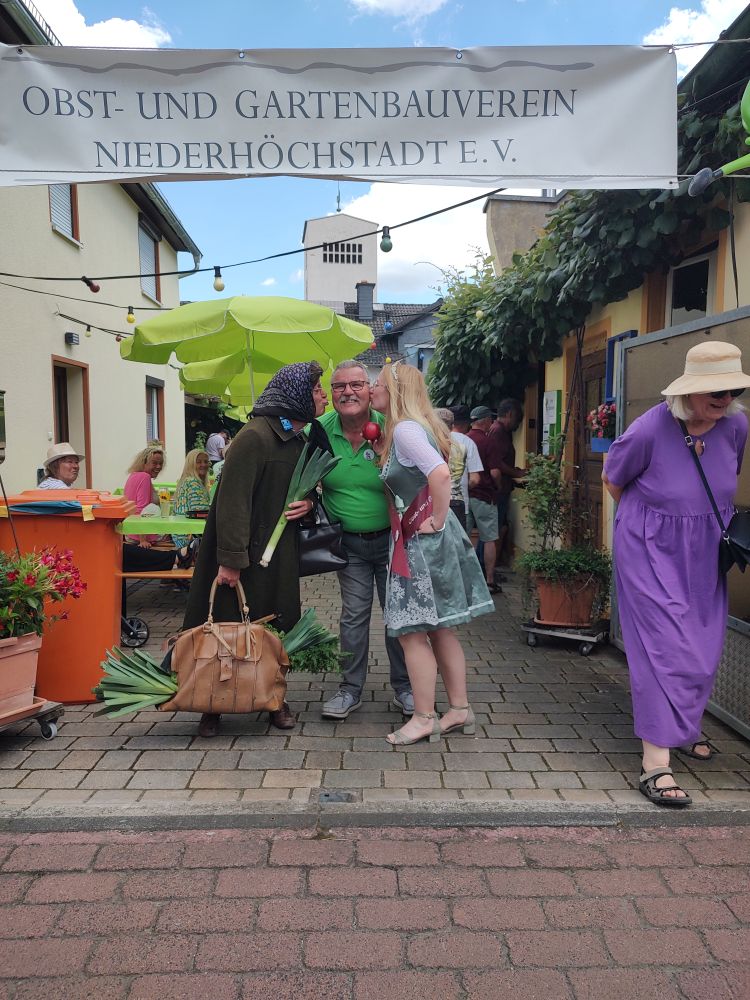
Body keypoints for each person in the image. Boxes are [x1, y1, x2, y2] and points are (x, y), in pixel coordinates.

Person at [602, 340, 748, 808]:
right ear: (690, 389)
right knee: (661, 646)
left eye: (733, 390)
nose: (725, 399)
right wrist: (653, 524)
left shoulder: (737, 426)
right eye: (716, 390)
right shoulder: (649, 428)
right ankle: (656, 763)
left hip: (704, 551)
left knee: (701, 646)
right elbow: (613, 479)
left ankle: (684, 727)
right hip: (649, 549)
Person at [182, 361, 329, 739]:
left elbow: (306, 489)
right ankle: (211, 703)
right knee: (224, 627)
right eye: (317, 390)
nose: (324, 396)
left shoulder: (296, 439)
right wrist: (231, 561)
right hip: (242, 557)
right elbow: (232, 503)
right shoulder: (254, 437)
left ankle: (273, 699)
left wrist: (309, 503)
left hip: (277, 557)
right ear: (297, 394)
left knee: (272, 628)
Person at [370, 363, 495, 745]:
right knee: (440, 628)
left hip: (421, 543)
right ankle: (459, 709)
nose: (372, 389)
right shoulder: (413, 428)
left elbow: (439, 474)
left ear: (395, 391)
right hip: (427, 539)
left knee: (411, 633)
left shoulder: (405, 430)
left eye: (378, 384)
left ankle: (424, 717)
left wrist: (438, 520)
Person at [318, 360, 413, 720]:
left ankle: (405, 688)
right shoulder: (319, 431)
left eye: (356, 385)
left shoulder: (392, 427)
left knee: (397, 615)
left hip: (393, 541)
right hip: (349, 544)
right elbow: (298, 471)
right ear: (332, 393)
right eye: (339, 386)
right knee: (354, 616)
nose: (348, 392)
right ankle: (350, 689)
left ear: (370, 390)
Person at [122, 444, 185, 573]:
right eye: (154, 463)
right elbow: (142, 509)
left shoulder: (134, 476)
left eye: (160, 463)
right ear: (144, 462)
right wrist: (143, 540)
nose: (158, 467)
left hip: (130, 532)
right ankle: (186, 565)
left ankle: (179, 568)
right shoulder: (144, 477)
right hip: (140, 535)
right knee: (182, 535)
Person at [466, 406, 503, 594]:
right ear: (486, 421)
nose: (492, 423)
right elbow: (495, 472)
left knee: (464, 538)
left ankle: (465, 580)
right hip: (484, 496)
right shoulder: (489, 442)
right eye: (491, 419)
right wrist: (498, 486)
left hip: (465, 495)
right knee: (489, 539)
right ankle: (489, 581)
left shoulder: (464, 440)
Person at [488, 398, 526, 563]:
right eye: (517, 419)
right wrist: (515, 473)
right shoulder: (499, 431)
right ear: (509, 414)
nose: (517, 425)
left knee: (494, 529)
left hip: (502, 486)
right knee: (493, 531)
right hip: (499, 488)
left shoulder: (498, 430)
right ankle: (487, 568)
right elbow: (497, 462)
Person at [434, 407, 482, 530]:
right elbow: (475, 479)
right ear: (451, 426)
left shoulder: (428, 445)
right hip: (458, 501)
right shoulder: (464, 446)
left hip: (434, 502)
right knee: (458, 540)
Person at [449, 405, 484, 522]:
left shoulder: (439, 439)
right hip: (459, 501)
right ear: (466, 424)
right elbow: (475, 479)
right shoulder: (468, 443)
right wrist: (463, 485)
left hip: (437, 500)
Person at [171, 449, 211, 549]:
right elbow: (200, 513)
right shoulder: (193, 482)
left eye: (206, 461)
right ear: (191, 464)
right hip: (188, 538)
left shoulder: (186, 480)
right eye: (198, 462)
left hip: (179, 534)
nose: (203, 465)